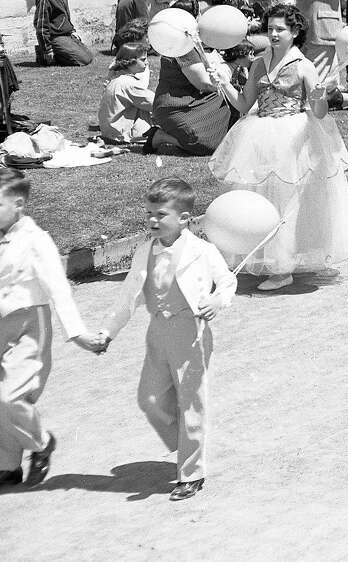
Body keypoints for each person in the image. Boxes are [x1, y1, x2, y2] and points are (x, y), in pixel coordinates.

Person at [95, 178, 236, 501]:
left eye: (160, 214)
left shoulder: (203, 251)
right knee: (150, 399)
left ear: (184, 218)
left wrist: (217, 300)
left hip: (190, 333)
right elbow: (128, 297)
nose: (152, 220)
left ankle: (191, 473)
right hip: (157, 332)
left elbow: (227, 281)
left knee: (191, 402)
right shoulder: (144, 251)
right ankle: (185, 441)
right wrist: (108, 332)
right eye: (149, 213)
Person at [209, 5, 348, 292]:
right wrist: (224, 84)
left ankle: (282, 266)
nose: (274, 34)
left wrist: (320, 97)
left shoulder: (303, 65)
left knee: (289, 201)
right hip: (260, 135)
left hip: (293, 136)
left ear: (295, 31)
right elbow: (244, 105)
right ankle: (265, 256)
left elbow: (319, 112)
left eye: (280, 29)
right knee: (261, 197)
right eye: (270, 29)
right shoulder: (258, 64)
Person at [0, 167, 105, 487]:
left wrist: (77, 333)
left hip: (28, 326)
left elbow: (59, 288)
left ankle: (42, 443)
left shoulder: (35, 240)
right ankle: (8, 464)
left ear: (18, 204)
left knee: (11, 396)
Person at [148, 0, 232, 156]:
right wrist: (229, 86)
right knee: (206, 145)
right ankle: (160, 136)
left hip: (190, 101)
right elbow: (203, 83)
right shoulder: (183, 46)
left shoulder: (183, 41)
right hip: (177, 106)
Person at [33, 0, 94, 67]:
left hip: (66, 34)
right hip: (55, 36)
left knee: (89, 55)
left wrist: (72, 31)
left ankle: (57, 52)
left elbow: (65, 17)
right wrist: (47, 49)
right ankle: (44, 55)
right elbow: (41, 26)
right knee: (84, 60)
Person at [99, 42, 155, 144]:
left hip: (110, 131)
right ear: (130, 61)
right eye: (143, 60)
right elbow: (155, 103)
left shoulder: (117, 78)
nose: (147, 63)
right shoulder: (128, 83)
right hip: (120, 134)